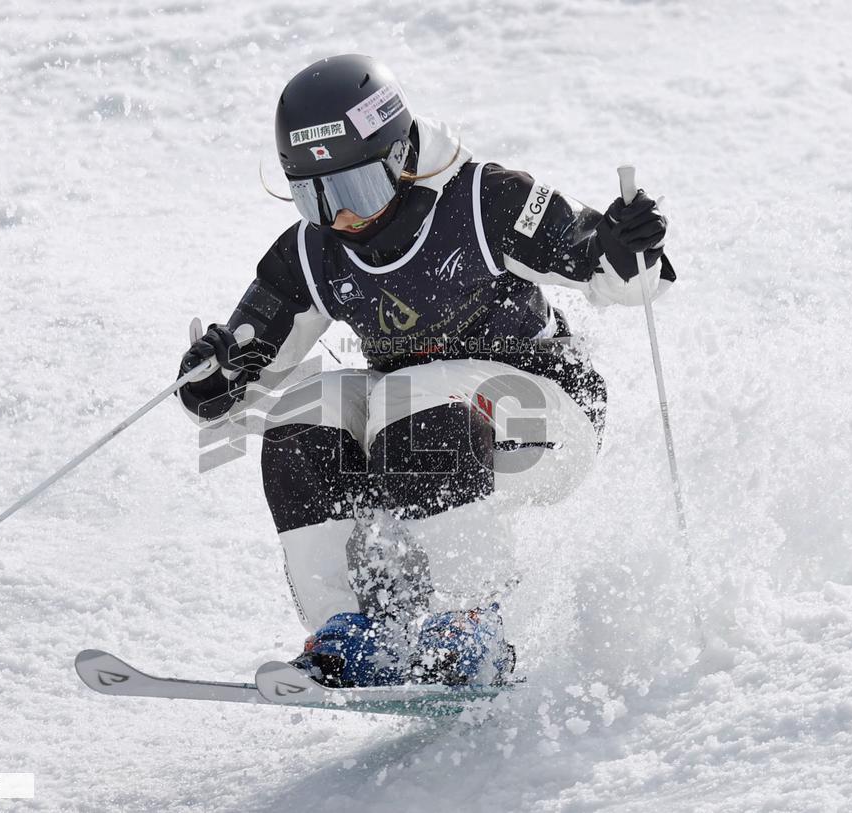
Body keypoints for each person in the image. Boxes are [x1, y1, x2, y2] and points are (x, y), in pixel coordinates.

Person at [177, 54, 674, 688]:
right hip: (414, 429)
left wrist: (628, 248)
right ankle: (350, 632)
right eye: (314, 196)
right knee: (303, 413)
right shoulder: (312, 251)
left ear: (401, 156)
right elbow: (239, 380)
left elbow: (616, 275)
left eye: (357, 190)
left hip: (545, 415)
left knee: (410, 394)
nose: (342, 217)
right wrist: (212, 381)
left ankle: (468, 621)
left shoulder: (485, 202)